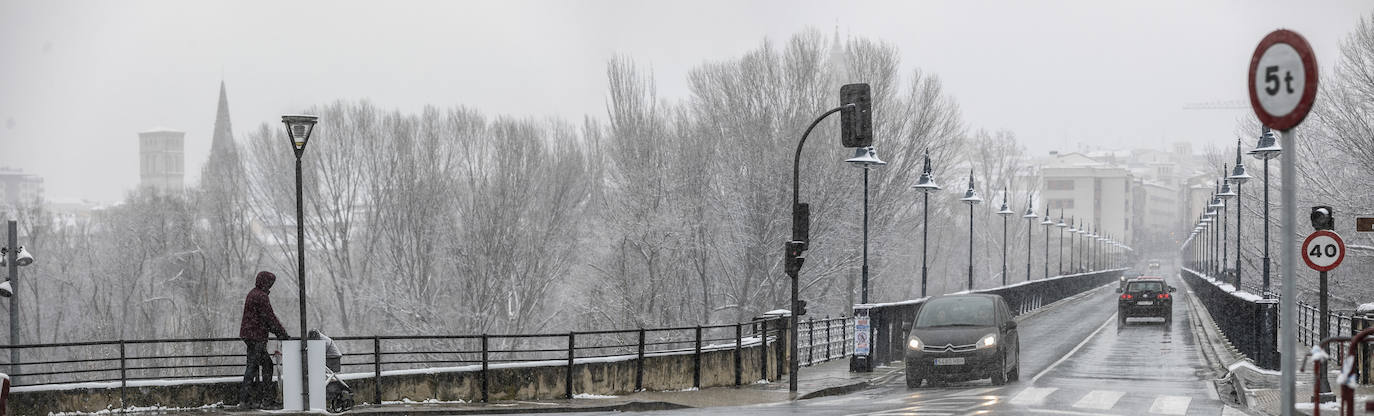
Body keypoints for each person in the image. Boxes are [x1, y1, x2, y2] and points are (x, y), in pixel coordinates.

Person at [239, 271, 290, 408]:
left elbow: (266, 318)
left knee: (252, 366)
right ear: (265, 282)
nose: (270, 287)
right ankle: (265, 400)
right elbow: (269, 318)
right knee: (267, 365)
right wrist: (282, 334)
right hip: (256, 337)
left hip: (249, 335)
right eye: (270, 283)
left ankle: (245, 400)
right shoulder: (261, 297)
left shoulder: (253, 293)